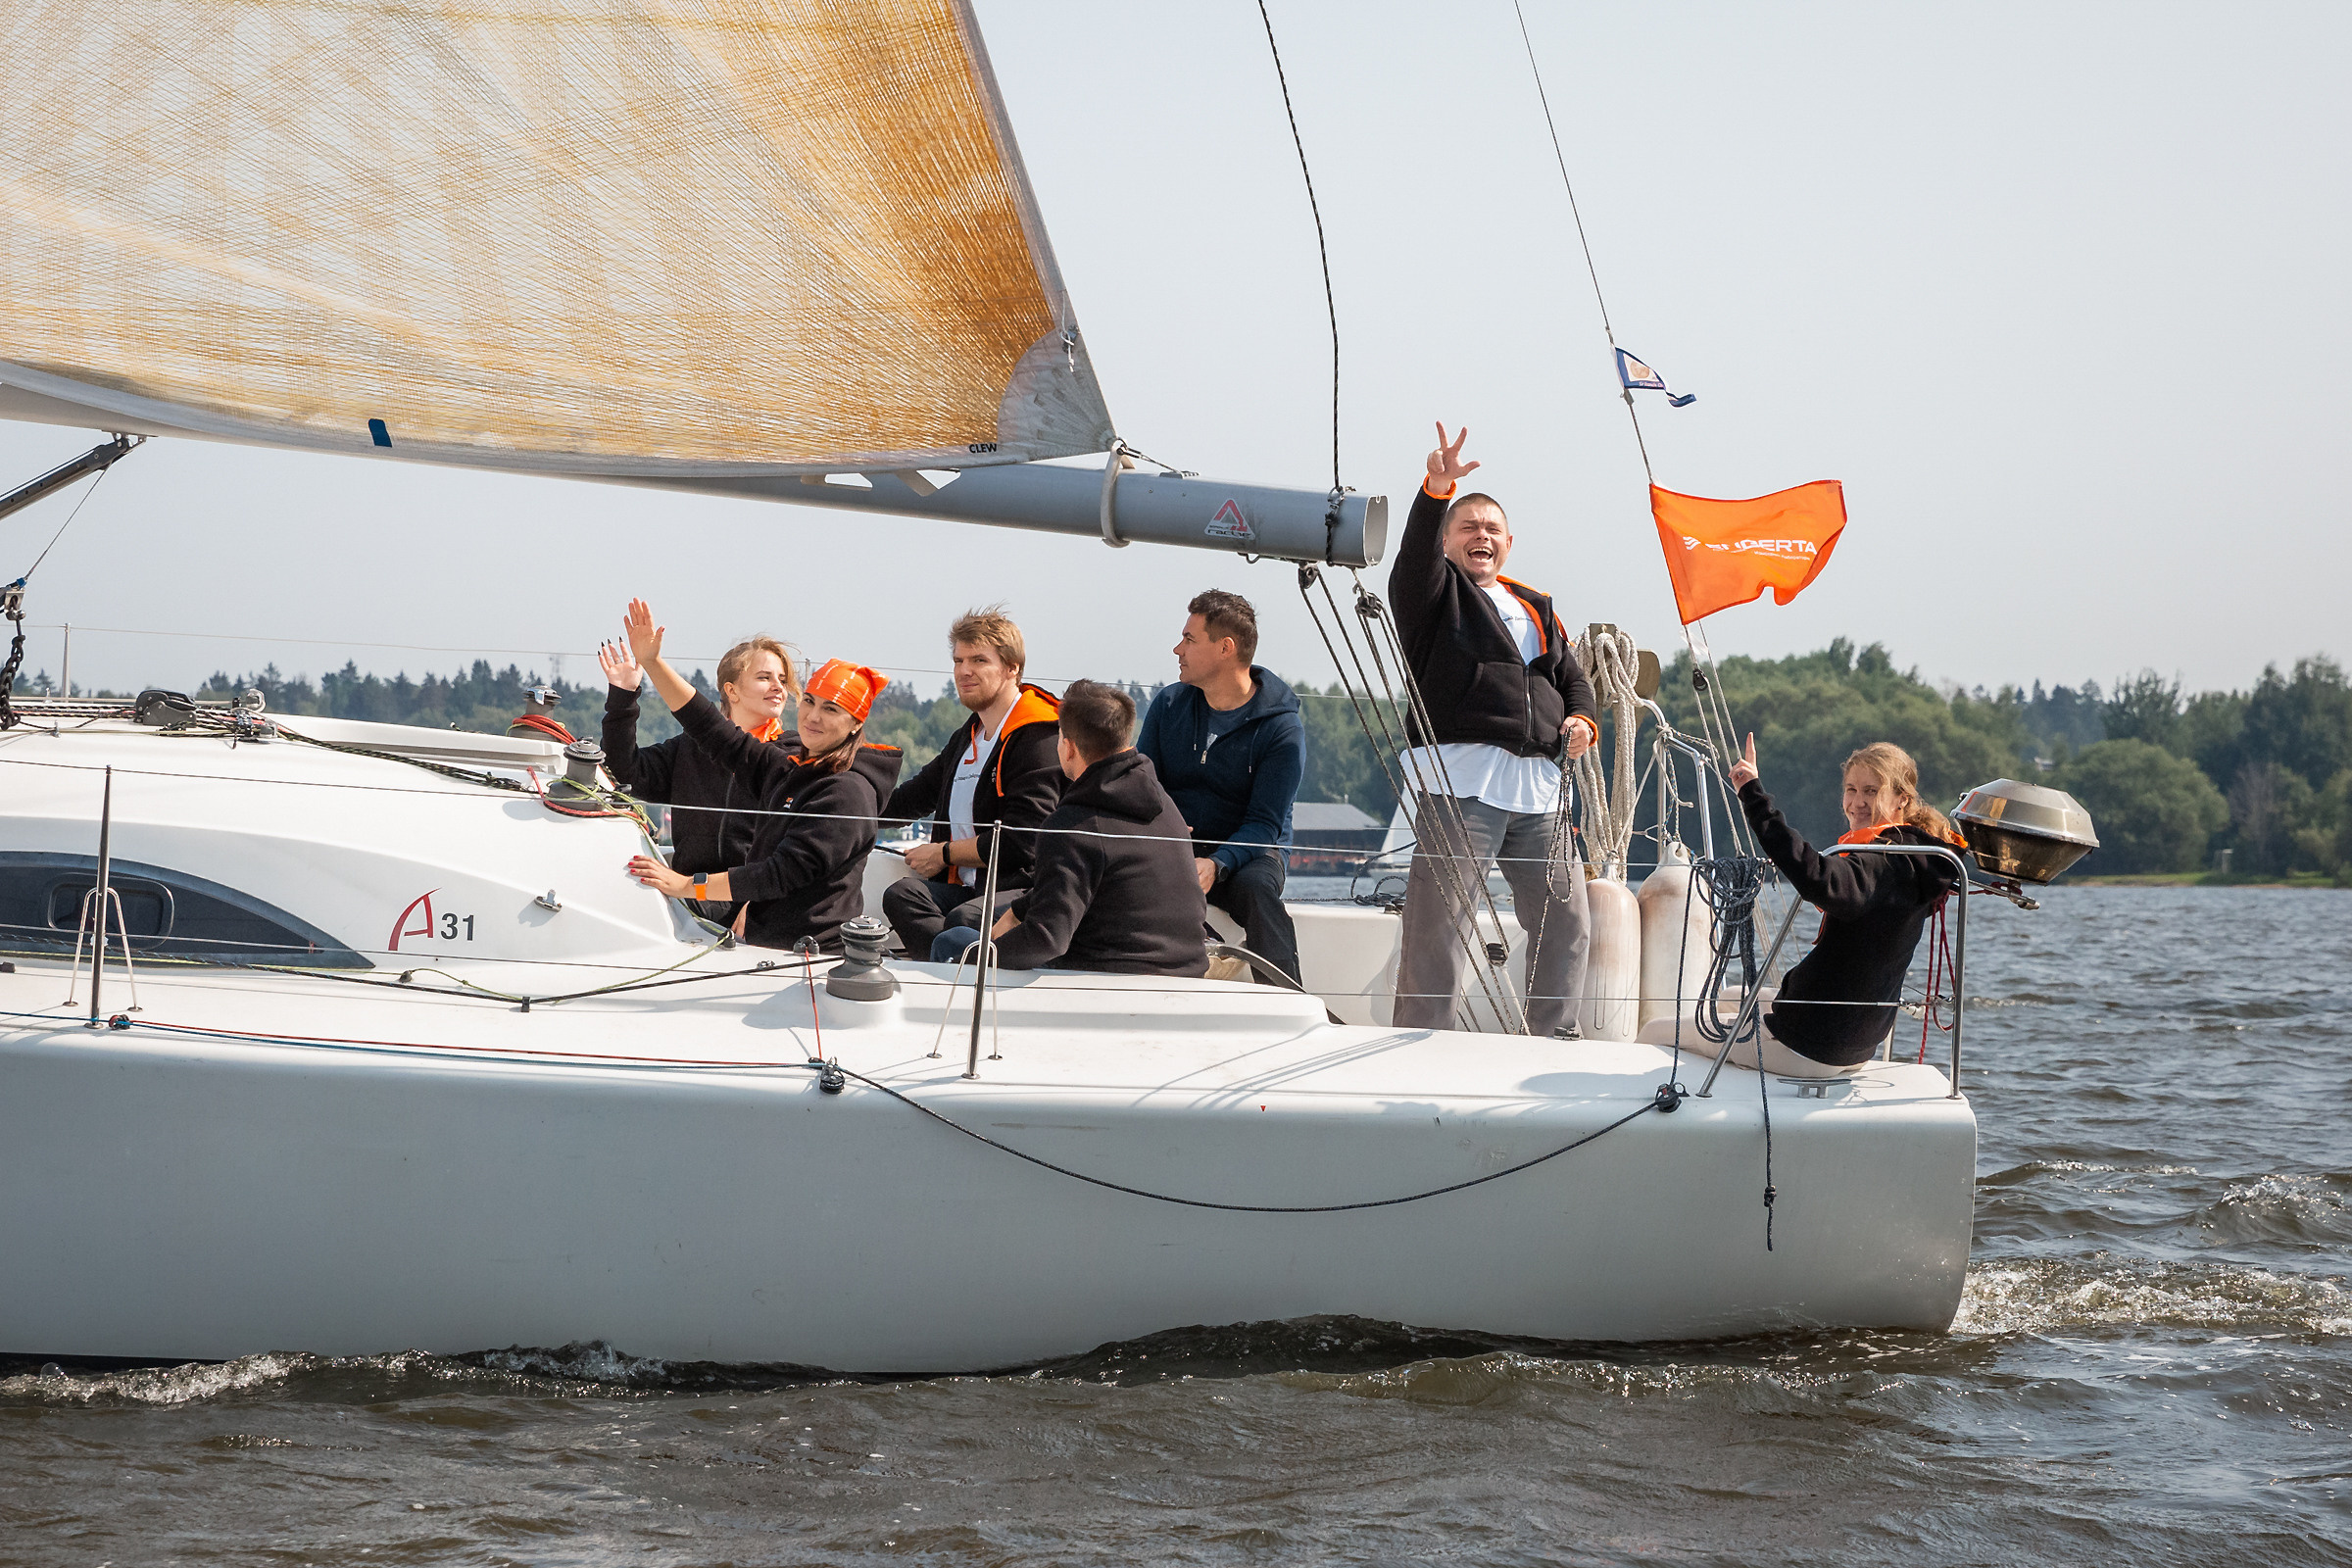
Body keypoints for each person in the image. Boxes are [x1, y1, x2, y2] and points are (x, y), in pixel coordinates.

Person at [1390, 422, 1599, 1038]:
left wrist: (1582, 719)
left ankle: (1555, 1037)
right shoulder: (1432, 595)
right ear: (1449, 543)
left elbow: (1574, 679)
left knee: (1566, 918)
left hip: (1538, 787)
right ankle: (1421, 1039)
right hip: (1463, 781)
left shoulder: (1536, 605)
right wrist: (1436, 490)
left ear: (1509, 542)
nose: (1480, 536)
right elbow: (1413, 559)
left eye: (1491, 530)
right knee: (1440, 922)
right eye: (1467, 527)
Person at [616, 600, 903, 953]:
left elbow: (778, 875)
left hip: (809, 960)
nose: (812, 716)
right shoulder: (788, 769)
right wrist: (653, 663)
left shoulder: (848, 792)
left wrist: (687, 885)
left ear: (856, 723)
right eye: (810, 701)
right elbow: (709, 728)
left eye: (831, 709)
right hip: (760, 944)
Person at [937, 679, 1208, 978]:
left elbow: (1046, 939)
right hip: (1186, 974)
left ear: (1068, 748)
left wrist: (982, 957)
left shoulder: (1072, 826)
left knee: (952, 943)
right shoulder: (1164, 806)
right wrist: (1019, 909)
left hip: (1104, 982)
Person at [1726, 736, 1966, 1073]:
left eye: (1871, 791)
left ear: (1902, 799)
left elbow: (1817, 877)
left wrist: (1751, 793)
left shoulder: (1884, 862)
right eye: (1851, 789)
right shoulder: (1919, 859)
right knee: (1729, 997)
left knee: (1660, 1030)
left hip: (1811, 1045)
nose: (1857, 802)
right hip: (1856, 1043)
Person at [1136, 590, 1304, 988]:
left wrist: (1217, 863)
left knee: (1257, 892)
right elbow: (1143, 788)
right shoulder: (1169, 704)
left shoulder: (1282, 729)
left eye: (1190, 640)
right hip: (1176, 843)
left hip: (1250, 853)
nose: (1177, 649)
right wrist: (1167, 832)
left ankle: (1287, 1002)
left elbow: (1265, 824)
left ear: (1225, 648)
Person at [879, 608, 1064, 956]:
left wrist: (944, 853)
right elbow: (911, 799)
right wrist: (843, 805)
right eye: (958, 660)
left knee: (964, 919)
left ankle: (953, 968)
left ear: (1013, 668)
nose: (964, 671)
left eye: (979, 660)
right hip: (971, 889)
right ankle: (951, 967)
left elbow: (1022, 841)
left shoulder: (1038, 738)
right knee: (902, 895)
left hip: (1026, 889)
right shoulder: (969, 736)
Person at [599, 629, 796, 926]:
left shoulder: (791, 756)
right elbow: (624, 771)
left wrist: (757, 904)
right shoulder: (689, 748)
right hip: (688, 891)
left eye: (782, 679)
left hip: (752, 902)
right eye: (764, 677)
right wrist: (623, 694)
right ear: (731, 691)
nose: (778, 687)